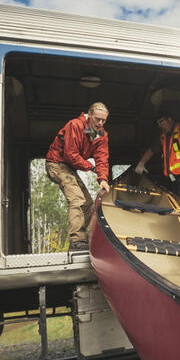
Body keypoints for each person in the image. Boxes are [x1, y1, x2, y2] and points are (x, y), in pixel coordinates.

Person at [45, 102, 111, 251]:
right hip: (56, 164)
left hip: (69, 168)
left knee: (88, 205)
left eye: (104, 120)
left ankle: (82, 238)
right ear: (89, 115)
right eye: (97, 119)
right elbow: (70, 155)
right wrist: (91, 167)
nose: (100, 123)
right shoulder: (75, 125)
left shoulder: (101, 135)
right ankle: (77, 241)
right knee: (77, 199)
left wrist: (103, 179)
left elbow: (102, 158)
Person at [134, 109, 180, 207]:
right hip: (174, 178)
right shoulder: (164, 137)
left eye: (161, 122)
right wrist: (141, 163)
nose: (159, 126)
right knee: (176, 203)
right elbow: (152, 149)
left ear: (170, 119)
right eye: (158, 123)